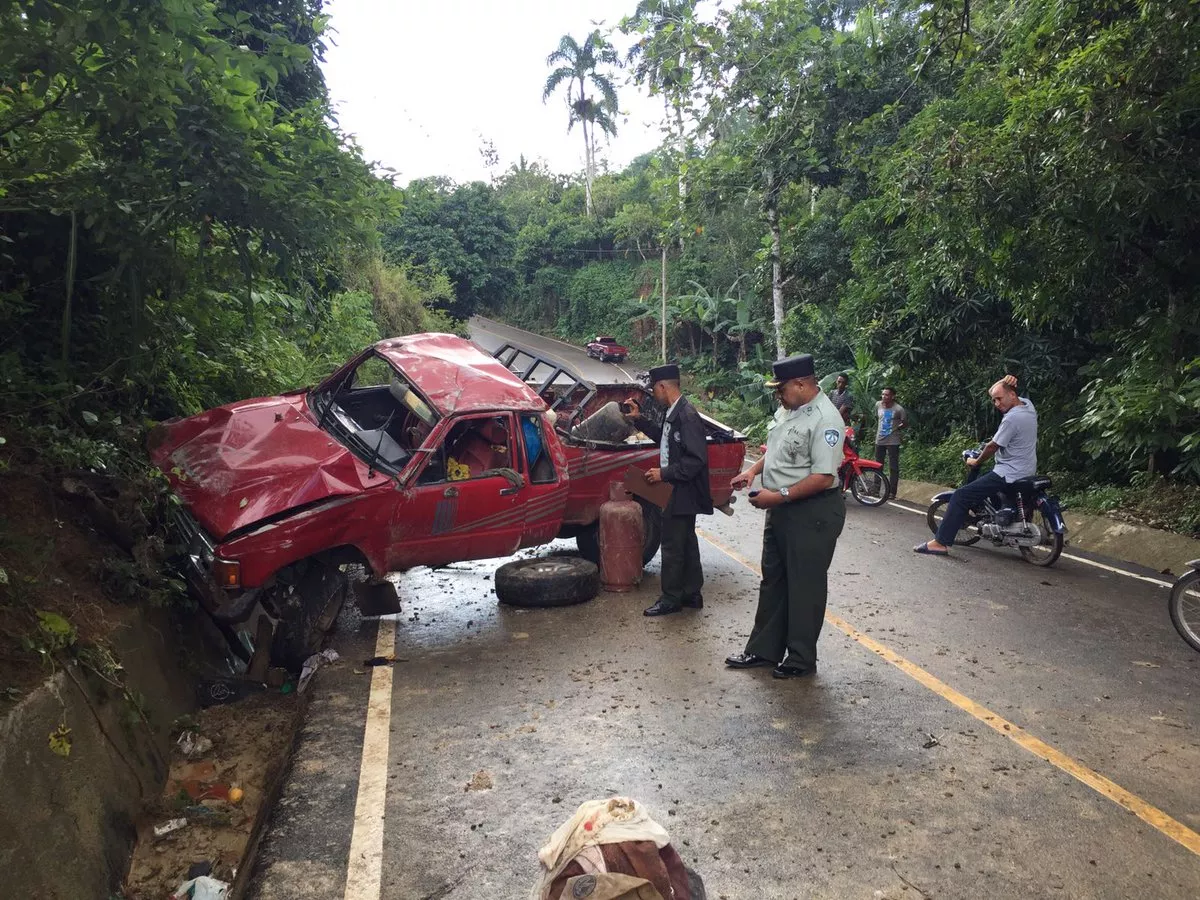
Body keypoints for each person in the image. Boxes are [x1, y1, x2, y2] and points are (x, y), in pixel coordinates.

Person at [724, 354, 846, 678]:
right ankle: (763, 650)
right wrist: (752, 471)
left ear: (802, 384)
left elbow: (823, 477)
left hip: (812, 511)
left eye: (782, 389)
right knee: (774, 580)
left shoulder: (826, 420)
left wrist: (778, 496)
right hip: (780, 507)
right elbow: (777, 449)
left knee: (804, 586)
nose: (778, 395)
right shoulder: (789, 409)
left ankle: (801, 659)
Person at [624, 364, 713, 616]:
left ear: (664, 387)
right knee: (686, 541)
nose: (655, 394)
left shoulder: (686, 415)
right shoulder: (673, 412)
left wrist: (664, 473)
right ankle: (692, 593)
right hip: (678, 487)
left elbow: (696, 459)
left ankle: (671, 598)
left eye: (655, 390)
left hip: (682, 489)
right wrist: (639, 420)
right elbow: (664, 438)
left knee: (673, 544)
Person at [914, 375, 1035, 556]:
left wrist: (976, 461)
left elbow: (993, 446)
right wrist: (1003, 380)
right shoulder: (1028, 407)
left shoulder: (1011, 419)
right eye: (994, 400)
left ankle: (940, 542)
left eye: (999, 399)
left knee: (961, 496)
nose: (996, 403)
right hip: (1027, 470)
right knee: (992, 491)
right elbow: (994, 390)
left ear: (1012, 395)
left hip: (1008, 472)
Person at [874, 386, 907, 499]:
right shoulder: (878, 405)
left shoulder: (898, 409)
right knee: (877, 465)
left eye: (887, 395)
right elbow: (877, 419)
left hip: (893, 440)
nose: (884, 397)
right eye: (883, 394)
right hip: (880, 439)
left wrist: (898, 427)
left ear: (893, 396)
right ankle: (876, 489)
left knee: (893, 467)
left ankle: (892, 492)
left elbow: (905, 422)